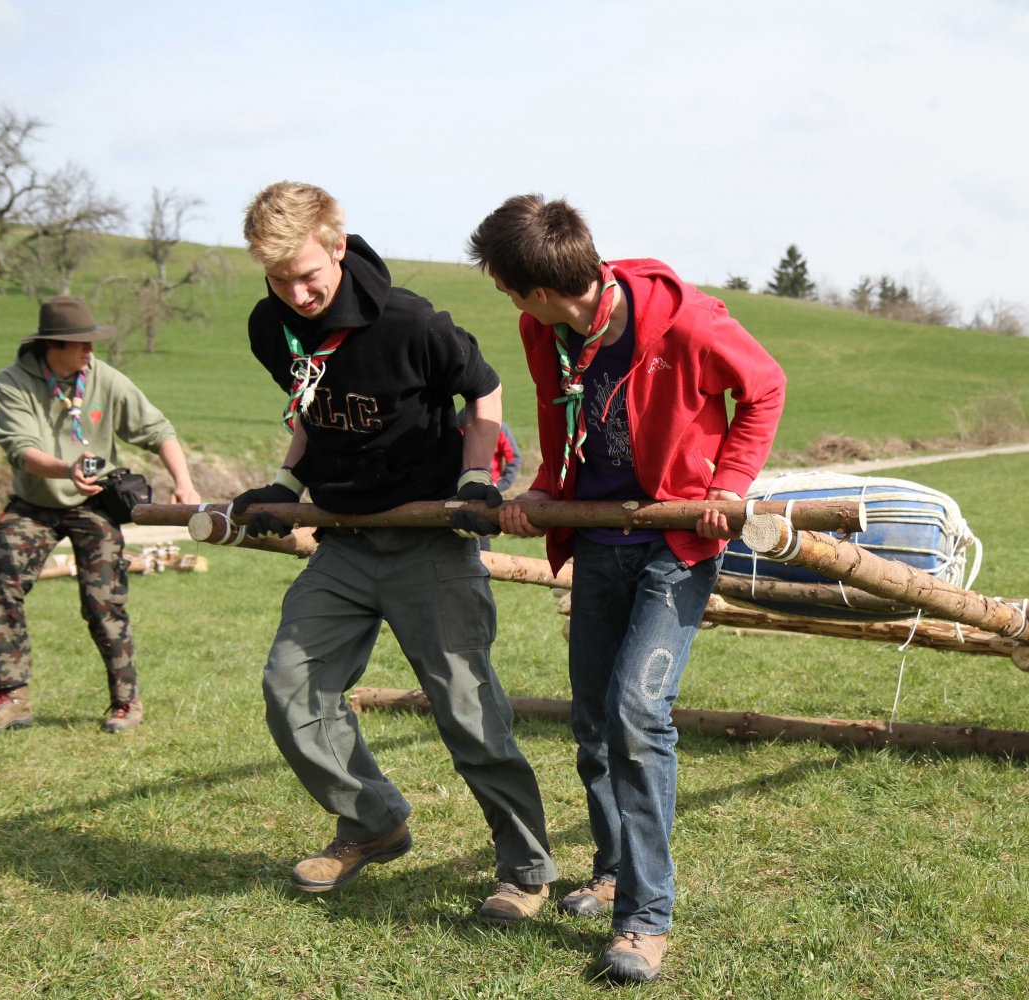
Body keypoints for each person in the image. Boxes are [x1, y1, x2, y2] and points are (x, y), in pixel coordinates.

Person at [468, 194, 786, 984]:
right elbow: (555, 412)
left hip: (674, 543)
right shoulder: (544, 331)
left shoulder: (685, 321)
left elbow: (765, 387)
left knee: (639, 715)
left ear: (532, 286)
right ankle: (611, 869)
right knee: (592, 719)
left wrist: (731, 482)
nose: (509, 302)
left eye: (506, 287)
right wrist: (544, 490)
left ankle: (645, 917)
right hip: (597, 539)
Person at [231, 182, 556, 919]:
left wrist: (476, 478)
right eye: (280, 279)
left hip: (426, 541)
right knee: (291, 687)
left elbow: (485, 389)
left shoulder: (409, 322)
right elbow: (313, 410)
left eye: (309, 274)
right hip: (343, 541)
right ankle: (374, 821)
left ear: (337, 246)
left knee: (469, 713)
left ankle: (526, 868)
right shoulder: (270, 327)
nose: (299, 292)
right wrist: (284, 484)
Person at [0, 296, 201, 734]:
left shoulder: (105, 379)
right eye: (81, 344)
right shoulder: (13, 382)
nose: (90, 351)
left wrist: (183, 482)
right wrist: (65, 469)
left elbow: (158, 430)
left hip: (93, 503)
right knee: (0, 575)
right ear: (52, 346)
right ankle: (12, 698)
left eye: (92, 343)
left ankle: (127, 703)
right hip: (35, 502)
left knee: (103, 601)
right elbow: (22, 451)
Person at [456, 409, 521, 551]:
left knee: (483, 534)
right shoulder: (455, 428)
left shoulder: (500, 429)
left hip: (490, 492)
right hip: (460, 493)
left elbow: (514, 459)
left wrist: (500, 485)